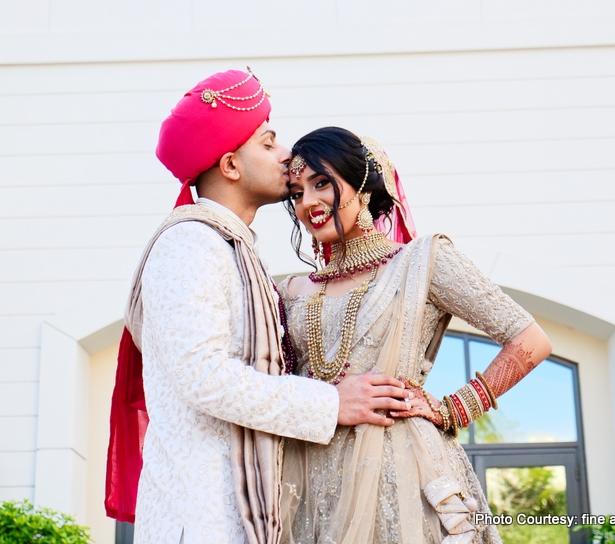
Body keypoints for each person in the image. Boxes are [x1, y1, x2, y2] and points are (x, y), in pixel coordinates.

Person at [104, 72, 412, 544]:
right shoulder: (190, 244)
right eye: (268, 144)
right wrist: (333, 402)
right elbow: (203, 377)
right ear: (230, 165)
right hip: (201, 520)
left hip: (237, 515)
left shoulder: (231, 248)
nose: (287, 155)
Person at [279, 127, 553, 543]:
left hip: (402, 473)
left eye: (321, 183)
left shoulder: (422, 262)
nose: (308, 203)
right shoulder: (290, 290)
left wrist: (452, 409)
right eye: (296, 192)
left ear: (364, 186)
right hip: (309, 478)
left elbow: (530, 340)